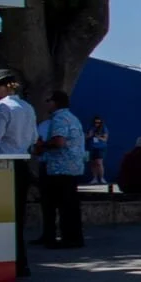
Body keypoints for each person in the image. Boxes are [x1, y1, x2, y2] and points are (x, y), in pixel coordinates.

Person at [37, 89, 87, 249]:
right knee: (70, 205)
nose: (47, 105)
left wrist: (42, 146)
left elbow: (59, 142)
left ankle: (69, 239)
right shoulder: (72, 118)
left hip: (60, 168)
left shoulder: (59, 119)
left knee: (62, 205)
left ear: (55, 102)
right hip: (72, 167)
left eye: (49, 101)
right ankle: (73, 237)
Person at [0, 70, 37, 276]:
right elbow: (33, 138)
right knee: (17, 219)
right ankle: (20, 263)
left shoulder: (2, 108)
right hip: (22, 166)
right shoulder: (28, 107)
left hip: (4, 168)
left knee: (3, 221)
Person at [85, 116, 109, 186]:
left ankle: (101, 178)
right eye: (96, 122)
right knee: (93, 163)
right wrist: (90, 135)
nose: (97, 124)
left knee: (99, 163)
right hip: (91, 147)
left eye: (99, 122)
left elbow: (105, 139)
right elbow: (86, 137)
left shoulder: (104, 128)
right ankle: (94, 178)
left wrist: (98, 136)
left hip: (100, 148)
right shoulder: (91, 128)